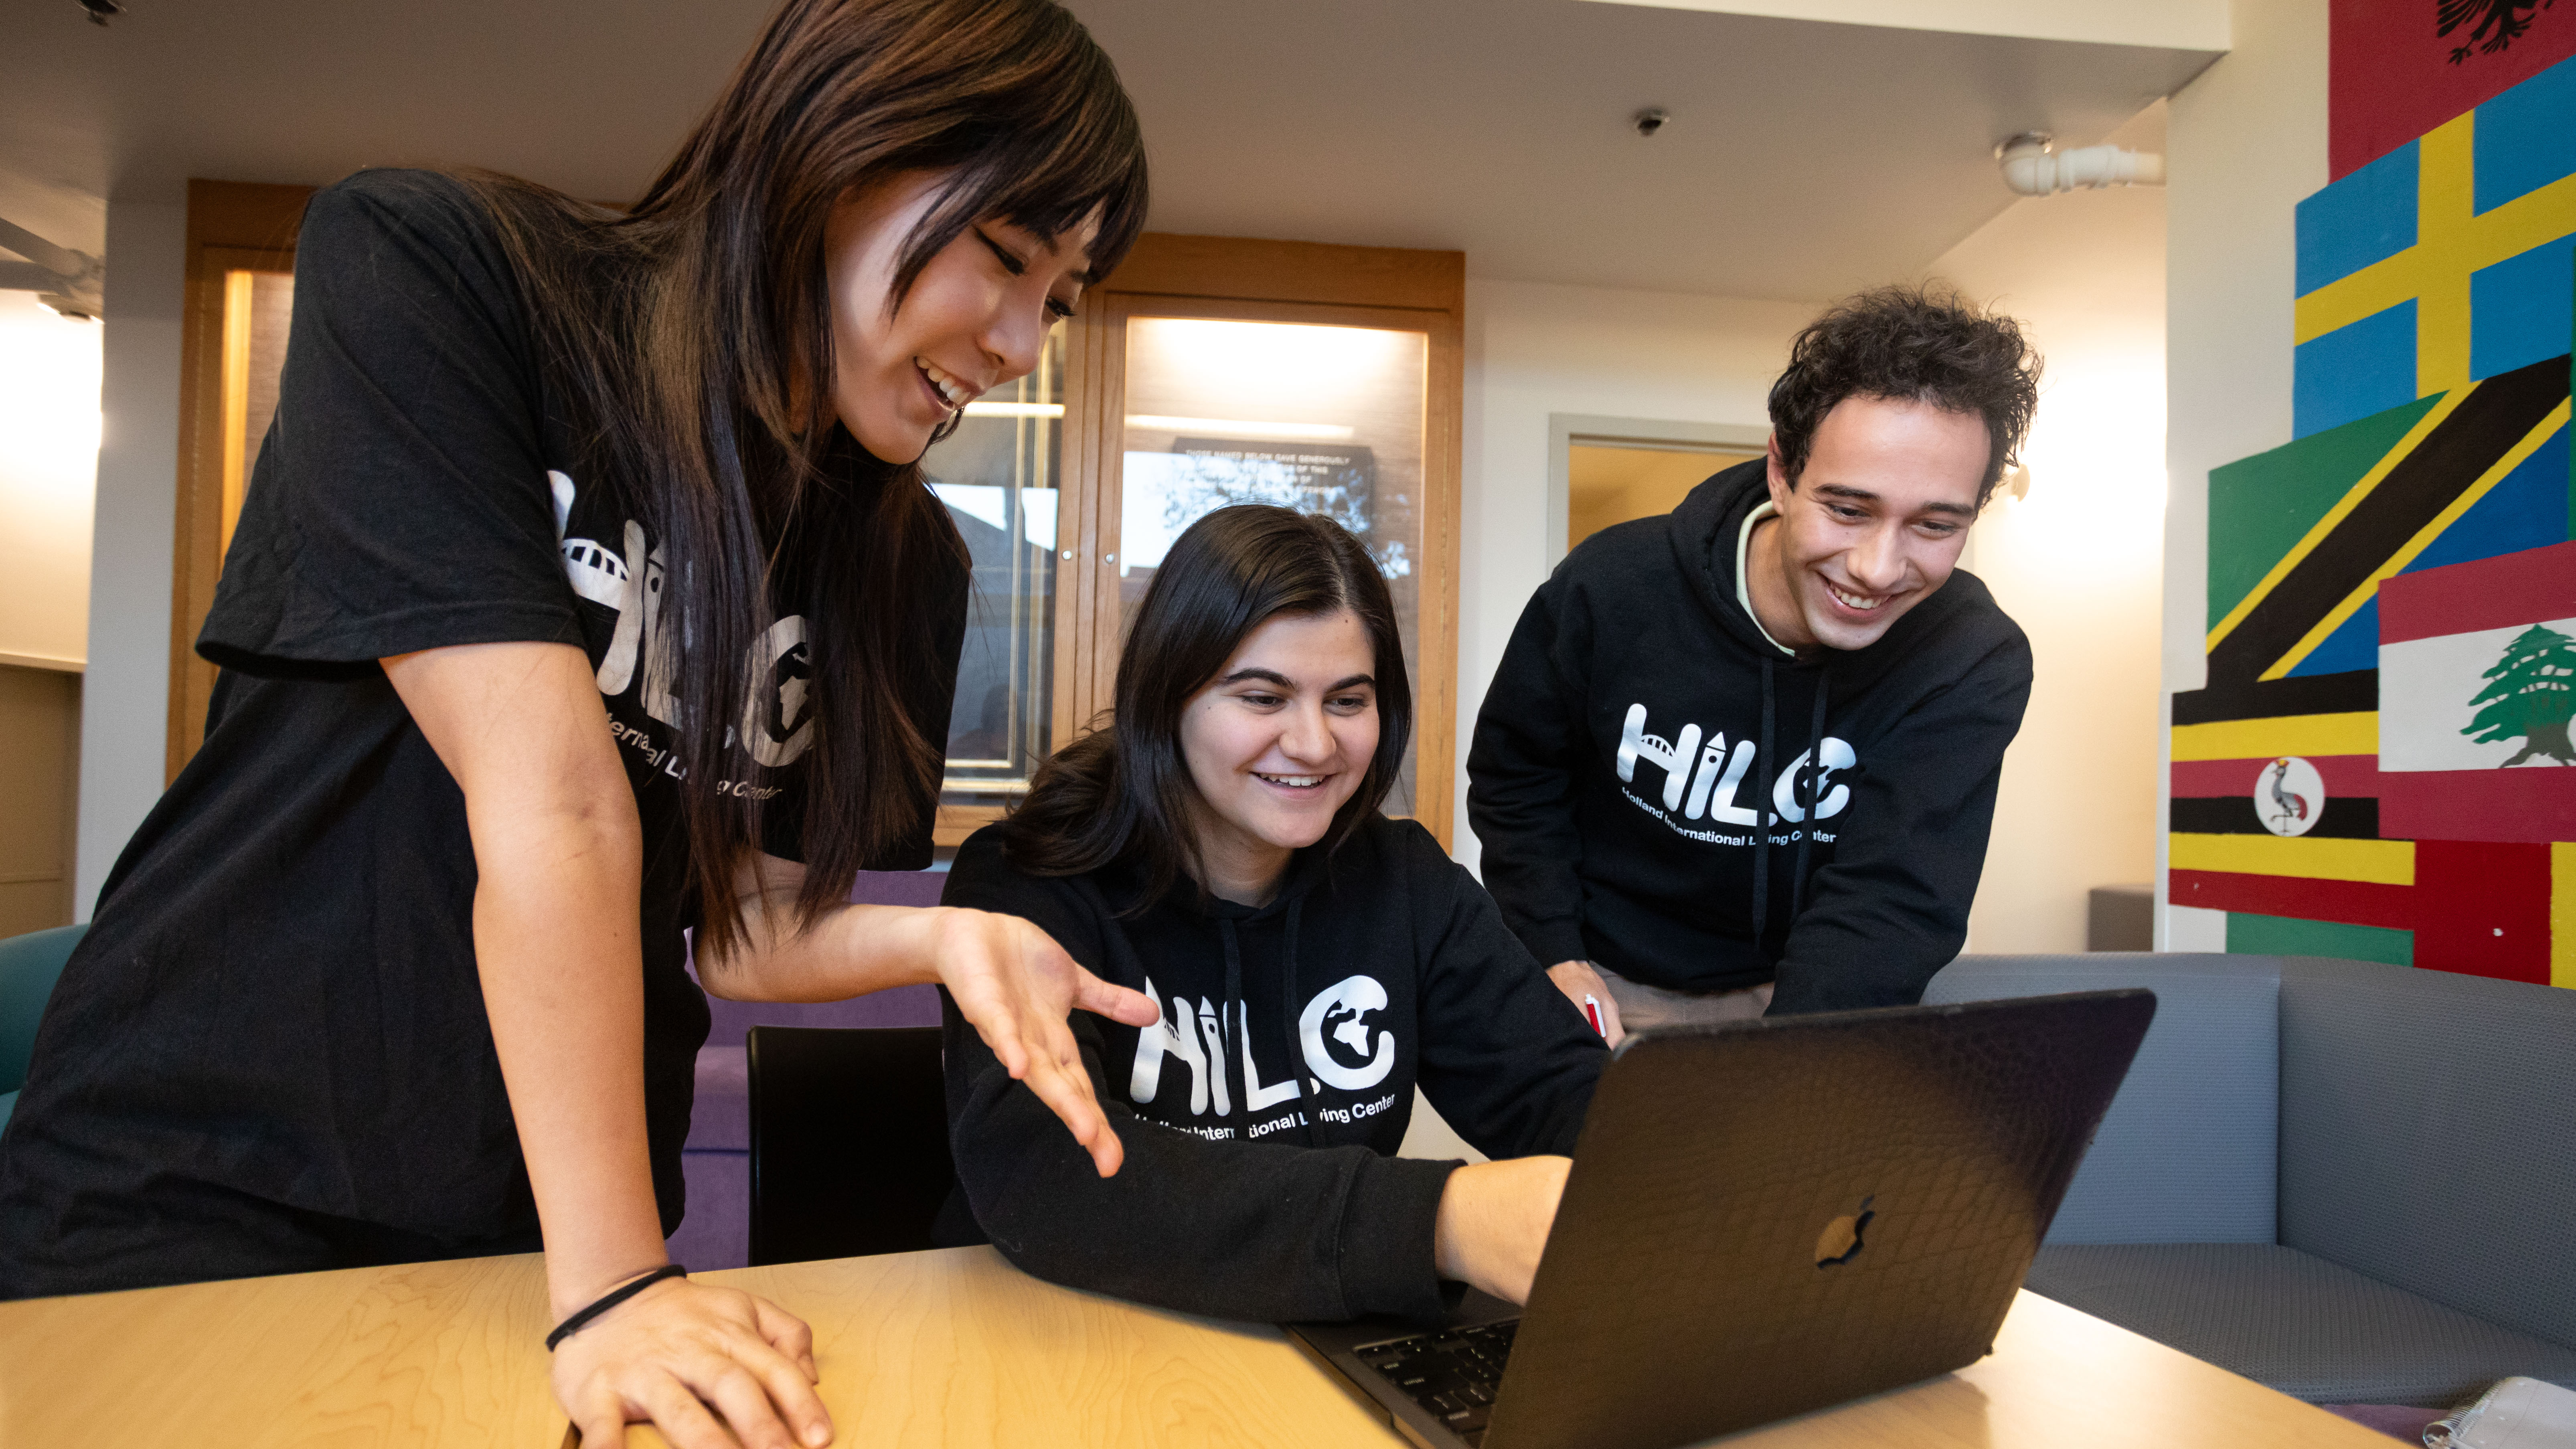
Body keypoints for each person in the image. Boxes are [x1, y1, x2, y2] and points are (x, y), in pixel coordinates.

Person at [0, 2, 1156, 1445]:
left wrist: (937, 934)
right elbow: (553, 801)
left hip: (534, 1219)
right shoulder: (442, 273)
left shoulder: (906, 566)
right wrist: (618, 1280)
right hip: (209, 1177)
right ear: (841, 142)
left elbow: (744, 917)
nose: (1017, 342)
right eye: (1002, 255)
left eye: (1061, 295)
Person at [934, 506, 1606, 1323]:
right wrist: (1439, 1221)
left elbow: (1567, 1097)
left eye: (1348, 700)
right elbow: (1050, 1180)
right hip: (1062, 1338)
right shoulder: (1024, 883)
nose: (1315, 744)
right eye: (1262, 696)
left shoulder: (1403, 882)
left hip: (1306, 1355)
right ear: (1165, 697)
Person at [1467, 285, 2038, 1042]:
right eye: (1848, 509)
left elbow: (1891, 899)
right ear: (1780, 468)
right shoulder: (1614, 587)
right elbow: (1520, 780)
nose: (1876, 567)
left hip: (1808, 994)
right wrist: (1549, 952)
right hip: (1600, 981)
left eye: (1934, 524)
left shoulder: (1972, 656)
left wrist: (1776, 1077)